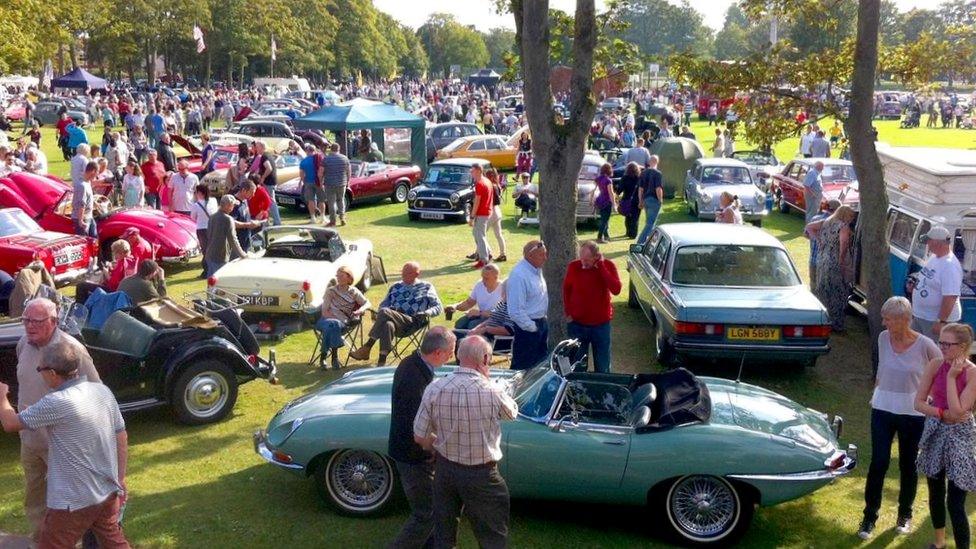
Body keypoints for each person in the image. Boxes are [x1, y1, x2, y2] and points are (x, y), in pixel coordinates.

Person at [0, 340, 129, 549]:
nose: (39, 373)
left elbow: (10, 423)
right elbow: (121, 436)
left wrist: (1, 398)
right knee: (114, 542)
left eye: (39, 369)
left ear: (52, 373)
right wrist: (120, 479)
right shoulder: (102, 392)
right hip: (107, 491)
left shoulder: (58, 402)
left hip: (73, 501)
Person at [413, 335, 518, 549]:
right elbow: (511, 413)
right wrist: (488, 380)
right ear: (486, 359)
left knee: (444, 535)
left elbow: (419, 435)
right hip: (482, 475)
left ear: (458, 355)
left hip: (445, 470)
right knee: (492, 536)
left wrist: (440, 444)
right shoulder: (492, 391)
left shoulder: (435, 388)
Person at [12, 299, 101, 543]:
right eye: (26, 320)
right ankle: (41, 542)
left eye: (36, 321)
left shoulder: (71, 350)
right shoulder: (24, 345)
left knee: (68, 505)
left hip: (62, 446)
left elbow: (95, 394)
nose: (29, 326)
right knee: (35, 499)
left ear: (53, 321)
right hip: (30, 442)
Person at [858, 296, 941, 540]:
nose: (884, 323)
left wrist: (932, 400)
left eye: (888, 319)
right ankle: (869, 517)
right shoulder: (884, 338)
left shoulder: (925, 344)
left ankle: (904, 514)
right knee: (878, 463)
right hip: (882, 409)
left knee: (908, 465)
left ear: (905, 320)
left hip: (913, 414)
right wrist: (876, 393)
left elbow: (941, 370)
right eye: (883, 318)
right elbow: (882, 369)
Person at [388, 327, 457, 549]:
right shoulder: (414, 378)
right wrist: (441, 446)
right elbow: (416, 428)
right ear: (437, 352)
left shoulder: (414, 363)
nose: (451, 357)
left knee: (432, 509)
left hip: (412, 454)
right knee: (426, 514)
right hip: (412, 457)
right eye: (450, 352)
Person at [914, 323, 976, 549]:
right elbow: (918, 403)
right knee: (935, 490)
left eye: (947, 344)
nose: (942, 347)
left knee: (956, 502)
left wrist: (951, 378)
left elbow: (959, 411)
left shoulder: (972, 372)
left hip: (961, 435)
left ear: (962, 346)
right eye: (940, 342)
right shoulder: (935, 364)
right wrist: (940, 413)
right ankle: (939, 543)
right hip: (936, 429)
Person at [349, 262, 442, 367]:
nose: (403, 275)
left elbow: (438, 307)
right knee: (387, 324)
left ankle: (367, 346)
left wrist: (427, 312)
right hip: (396, 321)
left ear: (417, 274)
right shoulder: (395, 286)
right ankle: (381, 361)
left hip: (414, 320)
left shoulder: (426, 286)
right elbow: (383, 305)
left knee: (384, 312)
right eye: (402, 272)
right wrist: (390, 310)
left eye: (407, 273)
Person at [563, 241, 621, 373]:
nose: (583, 263)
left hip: (600, 326)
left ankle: (602, 390)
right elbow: (566, 290)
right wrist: (568, 313)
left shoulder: (607, 266)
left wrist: (600, 266)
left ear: (597, 256)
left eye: (587, 260)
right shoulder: (574, 266)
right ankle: (577, 390)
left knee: (602, 364)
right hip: (577, 324)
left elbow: (616, 289)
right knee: (577, 365)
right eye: (581, 258)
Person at [806, 205, 856, 332]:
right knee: (837, 292)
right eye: (851, 216)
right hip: (834, 261)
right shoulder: (842, 227)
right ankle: (836, 324)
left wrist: (818, 240)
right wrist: (841, 260)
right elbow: (843, 244)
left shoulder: (826, 222)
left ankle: (822, 320)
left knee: (823, 289)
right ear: (845, 215)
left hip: (822, 259)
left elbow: (809, 227)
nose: (851, 219)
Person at [909, 226, 963, 338]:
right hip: (921, 316)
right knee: (916, 349)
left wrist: (941, 321)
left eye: (929, 241)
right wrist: (915, 286)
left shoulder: (950, 266)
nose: (927, 244)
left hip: (934, 320)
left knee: (932, 353)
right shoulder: (934, 257)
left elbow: (950, 297)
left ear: (938, 243)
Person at [315, 266, 370, 370]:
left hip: (342, 324)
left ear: (349, 278)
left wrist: (361, 310)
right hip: (325, 320)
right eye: (337, 276)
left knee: (332, 327)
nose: (338, 278)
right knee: (332, 324)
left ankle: (323, 357)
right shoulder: (331, 291)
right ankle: (334, 357)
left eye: (341, 276)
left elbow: (367, 303)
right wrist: (335, 319)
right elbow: (324, 312)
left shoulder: (353, 292)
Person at [508, 240, 549, 370]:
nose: (545, 258)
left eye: (545, 254)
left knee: (538, 369)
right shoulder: (519, 275)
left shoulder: (536, 270)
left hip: (540, 324)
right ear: (530, 256)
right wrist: (532, 327)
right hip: (527, 329)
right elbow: (515, 311)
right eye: (541, 255)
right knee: (523, 369)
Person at [447, 264, 503, 331]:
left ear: (496, 277)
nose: (483, 281)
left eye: (486, 278)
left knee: (472, 325)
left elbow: (502, 313)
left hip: (496, 320)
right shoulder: (479, 284)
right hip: (481, 316)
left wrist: (480, 313)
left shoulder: (503, 289)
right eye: (482, 277)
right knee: (459, 324)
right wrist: (455, 306)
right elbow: (469, 303)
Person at [804, 199, 839, 285]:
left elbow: (805, 234)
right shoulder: (835, 222)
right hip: (826, 263)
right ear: (837, 209)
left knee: (813, 286)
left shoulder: (815, 218)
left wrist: (815, 238)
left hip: (813, 259)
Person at [468, 164, 494, 269]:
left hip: (482, 213)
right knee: (477, 234)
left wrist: (472, 217)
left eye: (472, 171)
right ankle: (488, 253)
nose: (471, 173)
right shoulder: (487, 181)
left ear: (479, 171)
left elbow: (477, 202)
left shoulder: (480, 183)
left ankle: (484, 260)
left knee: (480, 236)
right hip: (487, 212)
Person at [190, 184, 218, 277]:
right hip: (213, 228)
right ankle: (213, 269)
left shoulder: (196, 205)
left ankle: (207, 271)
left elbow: (193, 217)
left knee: (205, 251)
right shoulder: (213, 201)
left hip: (202, 229)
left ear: (199, 193)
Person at [251, 141, 281, 226]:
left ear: (262, 147)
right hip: (271, 181)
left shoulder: (264, 156)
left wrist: (263, 177)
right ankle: (267, 221)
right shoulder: (267, 155)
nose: (256, 149)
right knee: (268, 201)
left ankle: (277, 221)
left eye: (257, 147)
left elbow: (269, 168)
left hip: (268, 182)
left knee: (270, 201)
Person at [636, 155, 664, 244]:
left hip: (645, 199)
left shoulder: (643, 173)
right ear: (657, 162)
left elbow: (640, 189)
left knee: (649, 222)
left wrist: (640, 200)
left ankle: (650, 242)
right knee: (650, 223)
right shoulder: (657, 173)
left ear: (649, 162)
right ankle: (641, 242)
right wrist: (660, 200)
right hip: (654, 199)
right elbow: (658, 188)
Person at [321, 143, 350, 227]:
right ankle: (342, 218)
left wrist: (321, 181)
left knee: (331, 202)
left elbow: (320, 172)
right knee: (340, 200)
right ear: (339, 149)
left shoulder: (326, 159)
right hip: (342, 183)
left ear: (331, 149)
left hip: (329, 183)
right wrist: (348, 181)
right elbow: (348, 171)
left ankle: (332, 221)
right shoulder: (345, 158)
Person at [299, 144, 325, 223]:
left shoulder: (303, 161)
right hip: (319, 182)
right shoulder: (320, 158)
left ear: (307, 151)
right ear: (314, 150)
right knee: (321, 200)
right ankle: (322, 217)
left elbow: (301, 174)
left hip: (308, 182)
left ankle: (313, 218)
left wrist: (304, 181)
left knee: (311, 200)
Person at [485, 168, 507, 262]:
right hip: (497, 211)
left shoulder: (490, 186)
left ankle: (487, 252)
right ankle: (503, 254)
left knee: (481, 234)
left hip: (491, 212)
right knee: (499, 235)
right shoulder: (498, 185)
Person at [72, 159, 98, 239]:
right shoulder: (82, 186)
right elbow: (81, 204)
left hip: (89, 216)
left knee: (94, 238)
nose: (97, 175)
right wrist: (80, 221)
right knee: (84, 241)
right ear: (93, 171)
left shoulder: (88, 183)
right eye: (97, 172)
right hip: (83, 218)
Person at [615, 162, 641, 239]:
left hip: (626, 199)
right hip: (637, 200)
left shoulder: (625, 178)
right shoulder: (639, 178)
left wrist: (616, 194)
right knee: (635, 218)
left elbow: (619, 190)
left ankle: (628, 232)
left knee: (628, 217)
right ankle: (633, 234)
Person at [593, 163, 615, 243]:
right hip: (606, 201)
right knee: (605, 220)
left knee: (603, 219)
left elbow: (594, 190)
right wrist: (614, 204)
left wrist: (591, 200)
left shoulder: (598, 179)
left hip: (600, 200)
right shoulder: (608, 180)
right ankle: (599, 238)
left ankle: (606, 236)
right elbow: (611, 193)